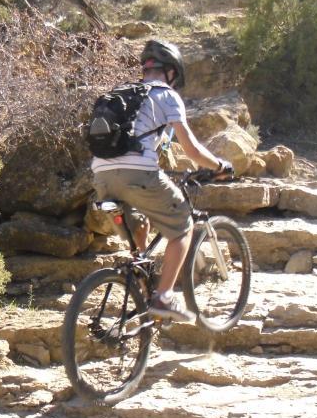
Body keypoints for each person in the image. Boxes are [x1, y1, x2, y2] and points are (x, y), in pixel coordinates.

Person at [90, 38, 232, 323]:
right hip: (138, 174)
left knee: (139, 225)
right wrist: (219, 165)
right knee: (181, 227)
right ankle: (164, 297)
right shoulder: (166, 95)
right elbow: (190, 149)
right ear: (172, 72)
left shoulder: (121, 93)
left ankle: (142, 291)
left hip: (101, 178)